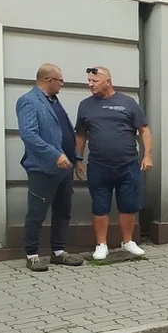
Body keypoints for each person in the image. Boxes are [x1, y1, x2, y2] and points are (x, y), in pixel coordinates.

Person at [75, 66, 154, 260]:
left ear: (108, 81)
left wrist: (148, 155)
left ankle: (127, 242)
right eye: (89, 81)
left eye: (94, 81)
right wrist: (78, 159)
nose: (90, 84)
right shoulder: (85, 105)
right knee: (100, 206)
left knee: (128, 205)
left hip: (128, 165)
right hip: (99, 166)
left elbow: (144, 130)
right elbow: (80, 135)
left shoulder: (127, 103)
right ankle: (101, 245)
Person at [17, 63, 84, 271]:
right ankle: (32, 254)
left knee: (63, 211)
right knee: (37, 212)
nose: (62, 84)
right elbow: (29, 135)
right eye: (60, 80)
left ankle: (58, 252)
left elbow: (64, 131)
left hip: (65, 167)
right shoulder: (28, 101)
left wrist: (77, 158)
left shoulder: (54, 100)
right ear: (47, 80)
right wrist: (55, 155)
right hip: (43, 168)